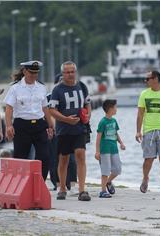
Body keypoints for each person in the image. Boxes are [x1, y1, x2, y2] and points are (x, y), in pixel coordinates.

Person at [49, 61, 92, 201]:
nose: (70, 74)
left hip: (79, 128)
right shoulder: (57, 90)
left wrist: (87, 116)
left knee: (80, 155)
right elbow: (52, 110)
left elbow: (87, 103)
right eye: (67, 72)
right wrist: (66, 119)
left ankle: (82, 190)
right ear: (63, 74)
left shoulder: (82, 86)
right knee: (63, 159)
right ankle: (62, 188)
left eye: (72, 71)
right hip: (64, 129)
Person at [4, 61, 54, 180]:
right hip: (22, 125)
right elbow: (9, 108)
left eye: (36, 73)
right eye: (31, 73)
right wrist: (8, 125)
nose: (34, 76)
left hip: (39, 125)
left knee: (44, 156)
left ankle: (40, 182)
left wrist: (50, 125)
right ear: (25, 71)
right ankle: (18, 182)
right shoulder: (15, 88)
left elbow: (45, 107)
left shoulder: (41, 87)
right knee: (21, 157)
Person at [95, 99, 125, 198]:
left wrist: (121, 143)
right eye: (115, 107)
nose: (116, 109)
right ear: (110, 109)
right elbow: (98, 137)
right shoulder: (102, 122)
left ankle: (108, 182)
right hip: (105, 150)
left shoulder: (114, 121)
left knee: (117, 169)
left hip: (114, 149)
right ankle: (103, 191)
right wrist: (97, 151)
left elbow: (116, 133)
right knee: (105, 170)